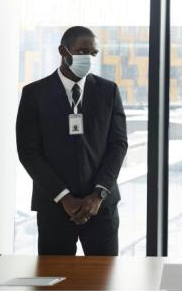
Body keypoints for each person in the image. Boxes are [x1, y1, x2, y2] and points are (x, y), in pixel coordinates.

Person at [16, 26, 128, 255]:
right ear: (63, 51)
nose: (87, 58)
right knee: (54, 284)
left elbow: (118, 145)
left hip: (100, 208)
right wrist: (64, 197)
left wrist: (97, 195)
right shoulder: (34, 94)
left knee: (103, 283)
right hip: (54, 208)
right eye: (82, 51)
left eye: (92, 53)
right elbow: (29, 152)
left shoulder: (109, 91)